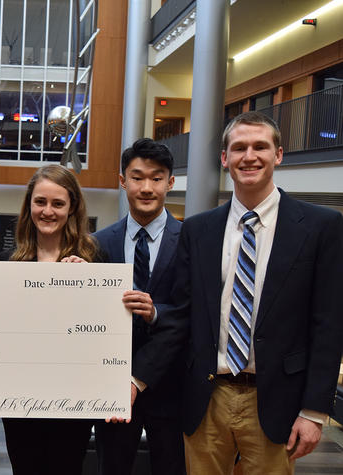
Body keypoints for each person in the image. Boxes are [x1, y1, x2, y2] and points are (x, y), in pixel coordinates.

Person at [167, 111, 343, 473]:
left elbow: (329, 323)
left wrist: (314, 410)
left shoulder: (320, 227)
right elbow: (183, 313)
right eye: (239, 148)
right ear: (224, 158)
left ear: (278, 154)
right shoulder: (198, 230)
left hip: (277, 399)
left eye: (260, 146)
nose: (249, 156)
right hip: (207, 399)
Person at [2, 164, 103, 475]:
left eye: (58, 203)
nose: (48, 211)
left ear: (72, 207)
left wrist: (90, 285)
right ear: (29, 205)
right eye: (40, 202)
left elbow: (104, 333)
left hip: (72, 401)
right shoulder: (13, 263)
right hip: (20, 401)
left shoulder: (93, 258)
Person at [93, 138, 185, 475]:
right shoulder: (99, 242)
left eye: (157, 178)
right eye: (137, 177)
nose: (147, 187)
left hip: (171, 386)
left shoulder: (191, 240)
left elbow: (191, 313)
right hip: (112, 384)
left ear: (170, 182)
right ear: (122, 181)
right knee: (112, 467)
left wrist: (156, 311)